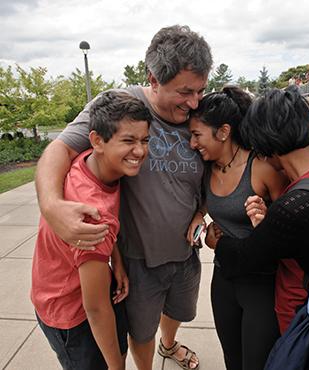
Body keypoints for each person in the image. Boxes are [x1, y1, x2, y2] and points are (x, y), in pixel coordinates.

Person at [34, 25, 213, 370]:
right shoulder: (120, 108)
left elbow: (223, 168)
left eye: (201, 90)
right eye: (185, 91)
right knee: (138, 330)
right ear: (154, 79)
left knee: (178, 311)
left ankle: (169, 344)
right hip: (139, 259)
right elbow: (58, 149)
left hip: (184, 253)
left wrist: (203, 212)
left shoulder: (202, 115)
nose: (194, 102)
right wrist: (52, 206)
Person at [205, 86, 309, 335]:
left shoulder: (294, 207)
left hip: (301, 314)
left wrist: (216, 243)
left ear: (266, 142)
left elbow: (244, 258)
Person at [31, 90, 152, 370]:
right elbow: (96, 310)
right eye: (128, 141)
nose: (140, 151)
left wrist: (116, 258)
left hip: (81, 285)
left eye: (144, 140)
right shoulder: (93, 216)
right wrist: (116, 367)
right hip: (70, 312)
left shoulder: (92, 162)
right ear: (97, 140)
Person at [188, 86, 288, 370]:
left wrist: (267, 220)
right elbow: (210, 204)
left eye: (197, 135)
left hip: (260, 285)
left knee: (256, 363)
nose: (193, 144)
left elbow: (288, 226)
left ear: (223, 131)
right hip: (223, 279)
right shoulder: (206, 167)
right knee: (232, 359)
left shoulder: (262, 168)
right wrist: (199, 217)